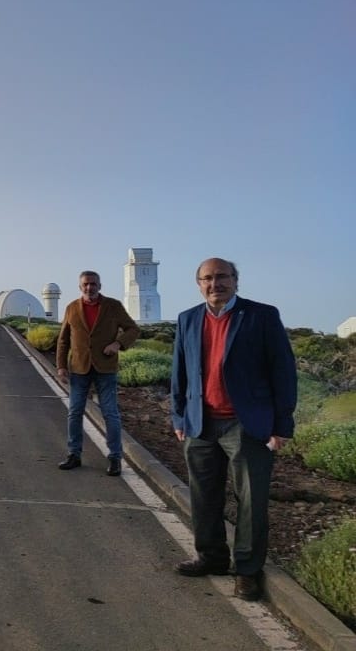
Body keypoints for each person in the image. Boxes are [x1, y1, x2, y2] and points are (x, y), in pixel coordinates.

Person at [171, 257, 297, 602]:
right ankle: (211, 558)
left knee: (251, 501)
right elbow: (179, 373)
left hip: (247, 424)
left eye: (222, 277)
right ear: (199, 284)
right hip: (200, 424)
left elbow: (283, 372)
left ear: (235, 279)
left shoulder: (262, 316)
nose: (216, 284)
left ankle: (247, 570)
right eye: (208, 278)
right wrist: (180, 418)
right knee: (203, 498)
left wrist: (282, 425)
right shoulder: (188, 319)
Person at [56, 270, 140, 475]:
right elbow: (63, 339)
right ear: (80, 287)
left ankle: (115, 458)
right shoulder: (71, 308)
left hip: (105, 367)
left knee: (110, 413)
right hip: (79, 368)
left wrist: (117, 343)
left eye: (93, 284)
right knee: (75, 412)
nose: (89, 287)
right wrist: (61, 366)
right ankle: (73, 454)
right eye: (85, 284)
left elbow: (133, 329)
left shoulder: (113, 306)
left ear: (100, 286)